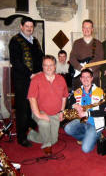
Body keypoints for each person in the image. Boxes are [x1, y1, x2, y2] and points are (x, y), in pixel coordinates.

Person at [9, 16, 44, 147]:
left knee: (32, 105)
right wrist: (30, 75)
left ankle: (30, 127)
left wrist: (42, 71)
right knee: (22, 108)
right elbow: (16, 62)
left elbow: (40, 57)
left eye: (31, 26)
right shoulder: (15, 41)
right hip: (22, 80)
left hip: (35, 79)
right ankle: (21, 137)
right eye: (27, 26)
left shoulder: (35, 41)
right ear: (21, 27)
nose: (29, 28)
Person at [27, 55, 68, 156]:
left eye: (51, 65)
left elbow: (64, 97)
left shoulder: (61, 79)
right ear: (42, 66)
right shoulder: (36, 79)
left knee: (54, 140)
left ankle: (31, 135)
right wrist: (39, 115)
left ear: (55, 66)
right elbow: (32, 98)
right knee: (44, 124)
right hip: (40, 111)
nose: (48, 68)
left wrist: (62, 111)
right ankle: (46, 146)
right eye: (46, 65)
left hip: (55, 113)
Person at [64, 68, 106, 153]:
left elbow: (104, 112)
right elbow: (70, 104)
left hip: (94, 124)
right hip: (82, 121)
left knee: (86, 149)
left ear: (92, 78)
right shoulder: (77, 91)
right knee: (67, 128)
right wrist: (74, 105)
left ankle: (97, 135)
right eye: (83, 77)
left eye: (88, 77)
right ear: (80, 79)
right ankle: (86, 137)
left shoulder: (100, 92)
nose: (85, 79)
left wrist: (87, 113)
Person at [70, 19, 104, 89]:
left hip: (93, 76)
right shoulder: (77, 43)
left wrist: (90, 69)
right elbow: (72, 58)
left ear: (92, 29)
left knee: (95, 98)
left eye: (89, 27)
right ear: (82, 29)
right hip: (80, 77)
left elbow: (100, 59)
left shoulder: (98, 43)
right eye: (85, 27)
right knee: (79, 98)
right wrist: (80, 68)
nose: (87, 29)